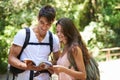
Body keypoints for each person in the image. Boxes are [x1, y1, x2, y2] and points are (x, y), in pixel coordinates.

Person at [8, 5, 60, 80]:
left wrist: (47, 65)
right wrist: (26, 66)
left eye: (48, 24)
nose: (44, 27)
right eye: (42, 22)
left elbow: (58, 61)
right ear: (38, 18)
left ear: (52, 22)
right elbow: (11, 58)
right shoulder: (23, 34)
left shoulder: (54, 39)